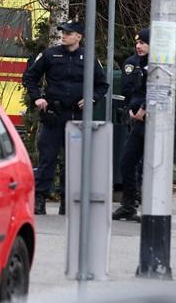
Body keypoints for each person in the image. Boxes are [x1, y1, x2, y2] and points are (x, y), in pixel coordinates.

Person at [23, 20, 108, 215]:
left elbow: (102, 84)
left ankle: (67, 201)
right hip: (54, 115)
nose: (64, 35)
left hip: (75, 116)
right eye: (63, 32)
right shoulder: (50, 54)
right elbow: (30, 77)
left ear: (78, 36)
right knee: (47, 159)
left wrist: (91, 98)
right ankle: (40, 199)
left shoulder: (88, 57)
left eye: (69, 33)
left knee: (73, 161)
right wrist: (37, 98)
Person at [112, 27, 149, 222]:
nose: (138, 46)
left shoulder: (154, 66)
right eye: (137, 43)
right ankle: (128, 204)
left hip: (149, 122)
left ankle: (149, 206)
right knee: (127, 161)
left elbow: (155, 90)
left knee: (149, 165)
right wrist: (130, 109)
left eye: (143, 43)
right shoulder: (136, 64)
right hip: (136, 120)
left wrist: (143, 108)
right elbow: (132, 91)